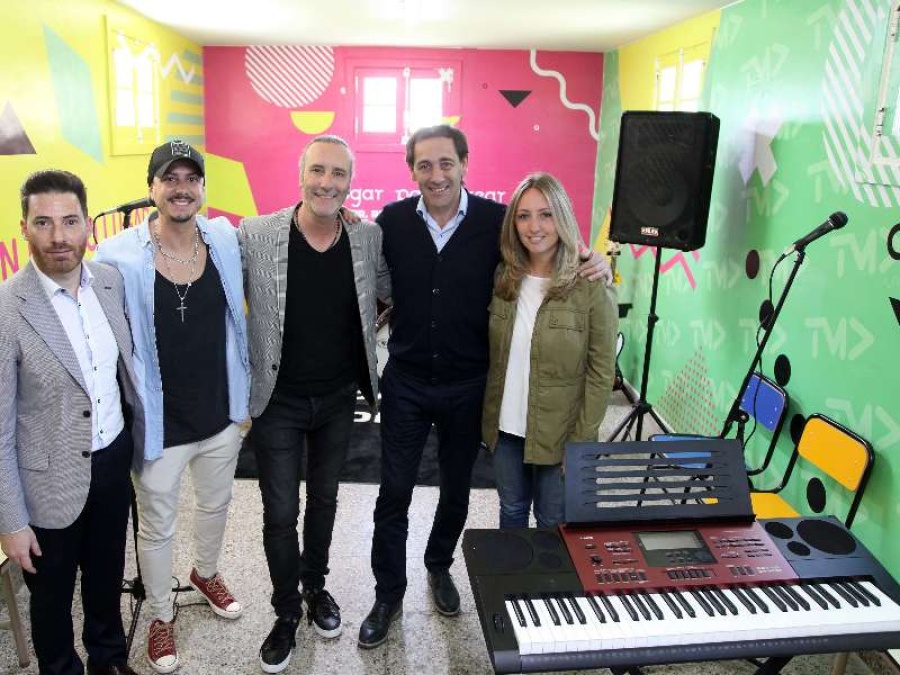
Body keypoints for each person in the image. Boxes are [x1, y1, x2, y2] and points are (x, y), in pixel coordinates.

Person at [359, 125, 612, 648]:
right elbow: (370, 274)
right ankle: (388, 594)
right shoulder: (393, 221)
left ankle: (438, 566)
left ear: (464, 164)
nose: (436, 175)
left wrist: (594, 259)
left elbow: (547, 245)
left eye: (445, 163)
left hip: (468, 386)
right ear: (411, 170)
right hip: (406, 382)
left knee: (456, 490)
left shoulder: (498, 223)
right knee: (394, 492)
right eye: (424, 165)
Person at [95, 141, 250, 674]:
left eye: (191, 179)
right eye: (170, 178)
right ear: (152, 188)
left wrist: (341, 214)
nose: (181, 188)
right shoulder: (116, 255)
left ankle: (205, 573)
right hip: (159, 423)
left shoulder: (225, 238)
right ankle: (161, 614)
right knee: (157, 527)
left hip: (220, 415)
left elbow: (283, 235)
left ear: (203, 188)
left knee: (216, 505)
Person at [238, 135, 390, 674]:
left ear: (350, 182)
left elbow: (399, 287)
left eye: (338, 174)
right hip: (277, 400)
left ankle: (314, 587)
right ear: (301, 174)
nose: (327, 183)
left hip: (337, 398)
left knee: (325, 500)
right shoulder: (256, 234)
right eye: (318, 171)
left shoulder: (367, 237)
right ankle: (285, 612)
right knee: (281, 512)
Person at [0, 170, 144, 675]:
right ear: (24, 227)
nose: (58, 236)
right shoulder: (7, 308)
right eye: (43, 222)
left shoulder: (108, 282)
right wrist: (12, 522)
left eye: (70, 221)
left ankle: (110, 661)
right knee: (52, 601)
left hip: (111, 465)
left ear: (87, 224)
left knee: (106, 581)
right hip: (46, 485)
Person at [482, 172, 618, 528]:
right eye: (524, 216)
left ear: (563, 217)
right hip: (506, 428)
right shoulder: (503, 277)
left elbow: (601, 373)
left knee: (552, 522)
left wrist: (581, 442)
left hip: (561, 433)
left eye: (546, 214)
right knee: (511, 511)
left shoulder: (590, 285)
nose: (534, 227)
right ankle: (513, 569)